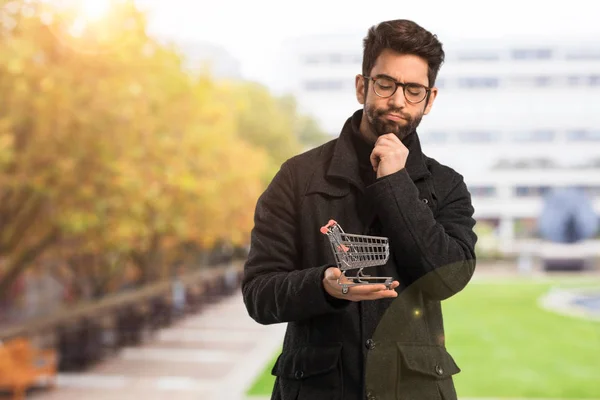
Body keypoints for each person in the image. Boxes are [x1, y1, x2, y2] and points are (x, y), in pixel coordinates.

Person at [242, 19, 477, 400]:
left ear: (429, 100)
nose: (398, 100)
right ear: (361, 86)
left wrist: (395, 184)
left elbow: (446, 279)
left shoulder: (447, 186)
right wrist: (324, 286)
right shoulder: (297, 177)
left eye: (413, 90)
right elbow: (258, 294)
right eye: (385, 84)